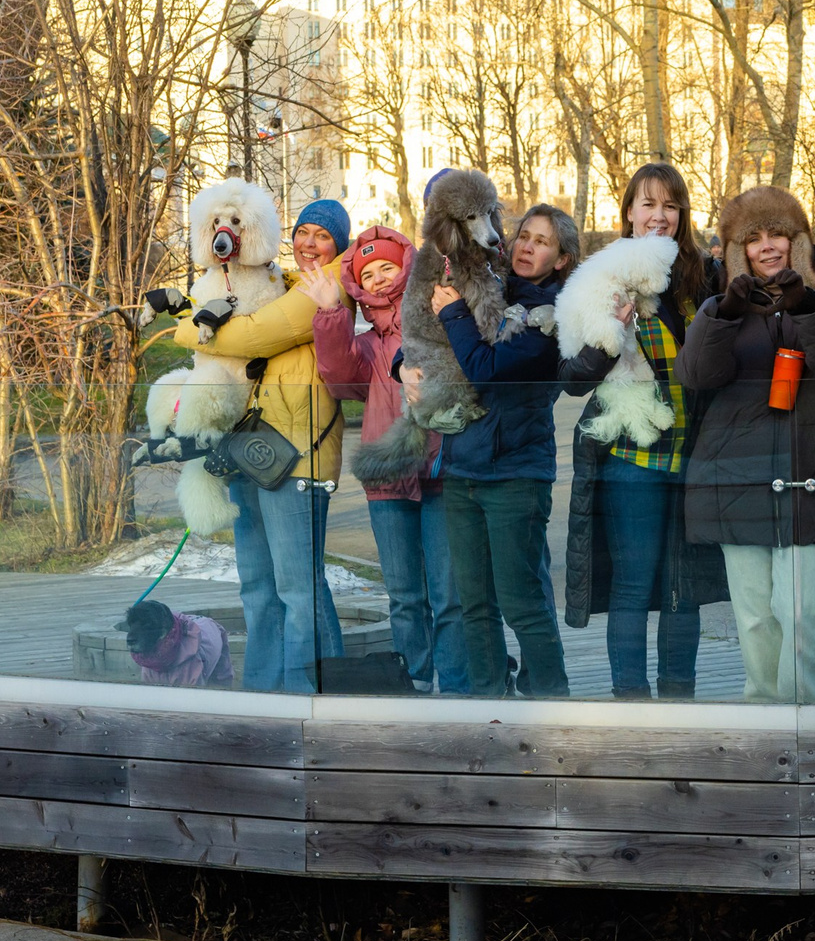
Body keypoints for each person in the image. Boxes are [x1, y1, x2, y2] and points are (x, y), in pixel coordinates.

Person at [678, 186, 815, 703]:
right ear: (736, 250)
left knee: (803, 610)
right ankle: (763, 713)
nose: (767, 246)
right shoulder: (718, 305)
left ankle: (812, 712)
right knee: (754, 613)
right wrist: (724, 311)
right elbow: (696, 374)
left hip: (811, 474)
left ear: (799, 242)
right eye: (754, 238)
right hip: (737, 476)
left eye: (779, 235)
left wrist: (809, 304)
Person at [559, 163, 729, 698]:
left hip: (696, 458)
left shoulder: (705, 278)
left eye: (670, 205)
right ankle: (630, 701)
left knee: (685, 591)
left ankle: (679, 699)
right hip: (632, 459)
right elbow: (573, 380)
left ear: (682, 215)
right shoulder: (605, 277)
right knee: (633, 585)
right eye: (648, 204)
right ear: (629, 211)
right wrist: (613, 330)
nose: (659, 215)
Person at [174, 196, 351, 693]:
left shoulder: (330, 283)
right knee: (258, 586)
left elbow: (253, 336)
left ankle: (314, 694)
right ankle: (263, 691)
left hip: (299, 457)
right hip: (254, 449)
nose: (310, 244)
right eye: (304, 233)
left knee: (298, 586)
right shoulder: (284, 282)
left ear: (338, 244)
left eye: (322, 235)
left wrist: (188, 330)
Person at [311, 223, 467, 694]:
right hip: (387, 478)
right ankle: (414, 683)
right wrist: (332, 312)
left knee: (449, 595)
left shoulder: (436, 317)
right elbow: (339, 377)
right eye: (368, 272)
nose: (378, 278)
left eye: (387, 267)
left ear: (406, 269)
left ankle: (458, 687)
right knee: (404, 597)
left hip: (442, 470)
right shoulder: (367, 346)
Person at [431, 201, 577, 697]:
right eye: (523, 236)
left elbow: (484, 368)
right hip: (462, 469)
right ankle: (489, 703)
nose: (526, 246)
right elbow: (428, 341)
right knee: (474, 604)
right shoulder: (488, 285)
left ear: (561, 259)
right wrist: (402, 366)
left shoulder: (552, 317)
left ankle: (551, 703)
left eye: (542, 242)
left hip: (516, 475)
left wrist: (452, 312)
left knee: (522, 603)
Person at [122, 600, 233, 688]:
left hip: (208, 632)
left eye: (146, 625)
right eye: (132, 624)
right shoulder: (148, 663)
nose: (130, 636)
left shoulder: (192, 664)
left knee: (219, 688)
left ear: (165, 629)